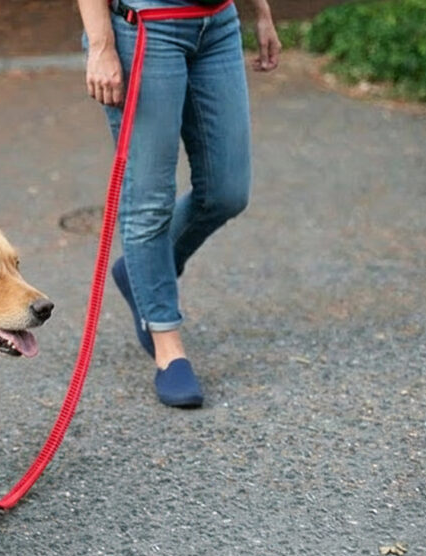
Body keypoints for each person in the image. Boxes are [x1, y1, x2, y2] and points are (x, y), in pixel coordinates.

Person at [77, 0, 281, 407]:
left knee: (227, 191)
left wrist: (262, 12)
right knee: (150, 201)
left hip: (218, 24)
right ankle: (168, 346)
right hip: (145, 27)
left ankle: (141, 271)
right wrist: (101, 44)